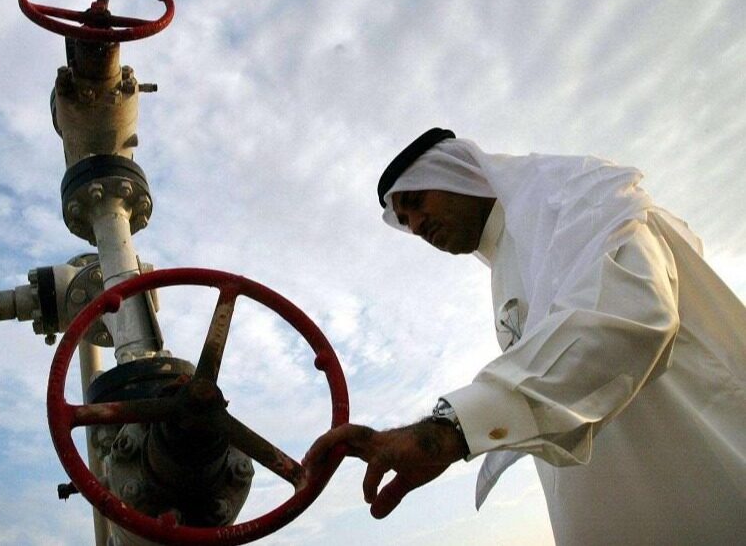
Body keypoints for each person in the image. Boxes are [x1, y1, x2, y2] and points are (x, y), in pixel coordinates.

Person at [304, 128, 746, 545]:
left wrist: (448, 431)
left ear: (459, 173)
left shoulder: (577, 195)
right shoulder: (505, 267)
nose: (416, 226)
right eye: (405, 221)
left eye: (417, 203)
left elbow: (632, 313)